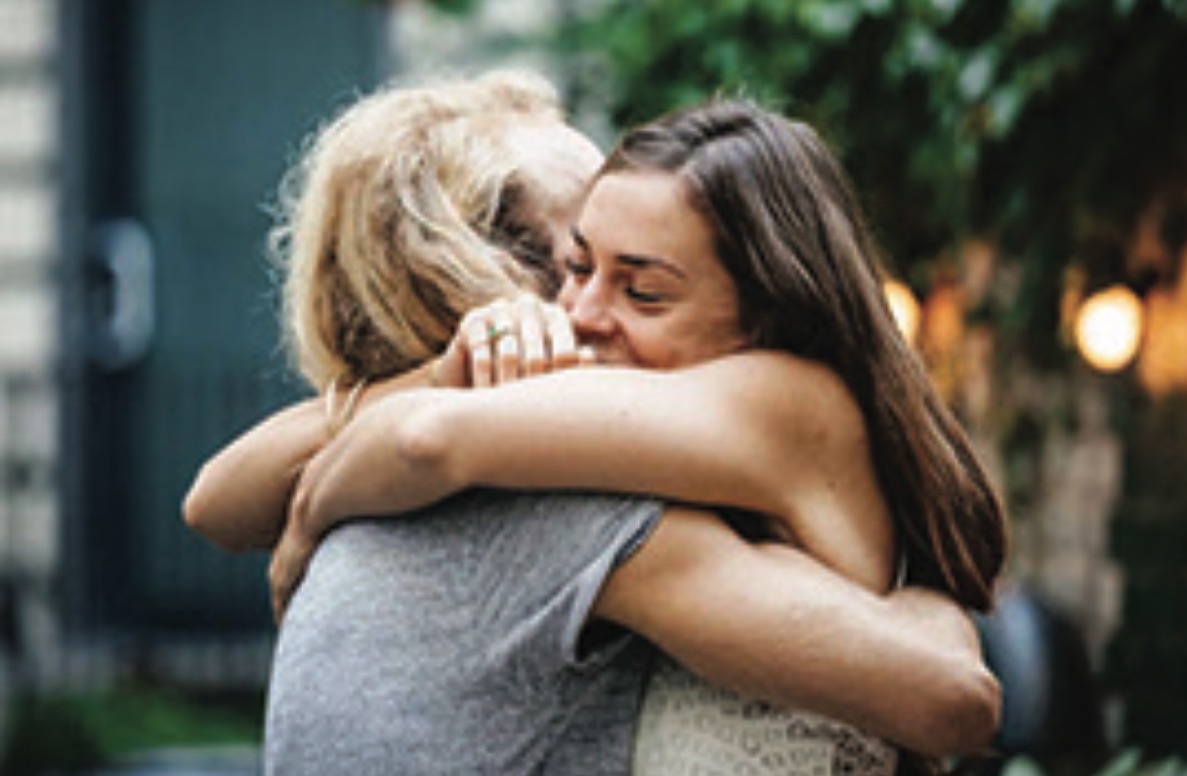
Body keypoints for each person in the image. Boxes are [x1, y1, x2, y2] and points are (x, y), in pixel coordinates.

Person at [185, 72, 1002, 775]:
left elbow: (419, 441)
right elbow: (219, 497)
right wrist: (441, 379)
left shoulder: (746, 413)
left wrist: (309, 516)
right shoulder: (569, 489)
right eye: (575, 262)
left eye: (639, 287)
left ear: (768, 308)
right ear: (497, 276)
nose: (581, 312)